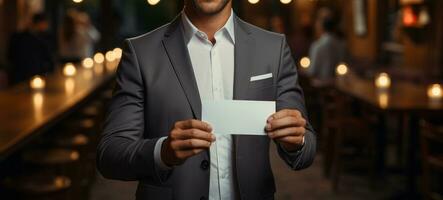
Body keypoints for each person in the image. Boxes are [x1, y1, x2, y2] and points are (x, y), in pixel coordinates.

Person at [97, 0, 316, 199]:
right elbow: (110, 154)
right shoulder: (140, 52)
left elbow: (306, 151)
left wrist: (296, 142)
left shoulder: (273, 48)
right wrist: (163, 152)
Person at [7, 13, 54, 84]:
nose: (46, 26)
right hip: (25, 74)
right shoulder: (20, 37)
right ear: (39, 23)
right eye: (45, 23)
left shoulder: (43, 37)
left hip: (26, 74)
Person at [308, 8, 346, 80]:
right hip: (336, 85)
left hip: (321, 87)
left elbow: (312, 72)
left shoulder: (317, 46)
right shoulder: (341, 44)